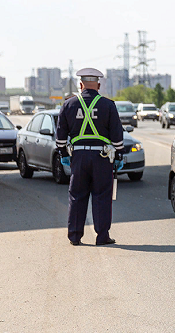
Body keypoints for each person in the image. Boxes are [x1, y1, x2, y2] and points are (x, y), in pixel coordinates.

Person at [55, 68, 125, 246]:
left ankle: (75, 236)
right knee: (102, 196)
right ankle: (102, 237)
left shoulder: (68, 105)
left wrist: (64, 154)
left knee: (77, 195)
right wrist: (119, 155)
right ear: (98, 85)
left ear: (80, 85)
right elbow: (117, 135)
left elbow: (61, 137)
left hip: (78, 157)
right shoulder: (108, 105)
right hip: (102, 157)